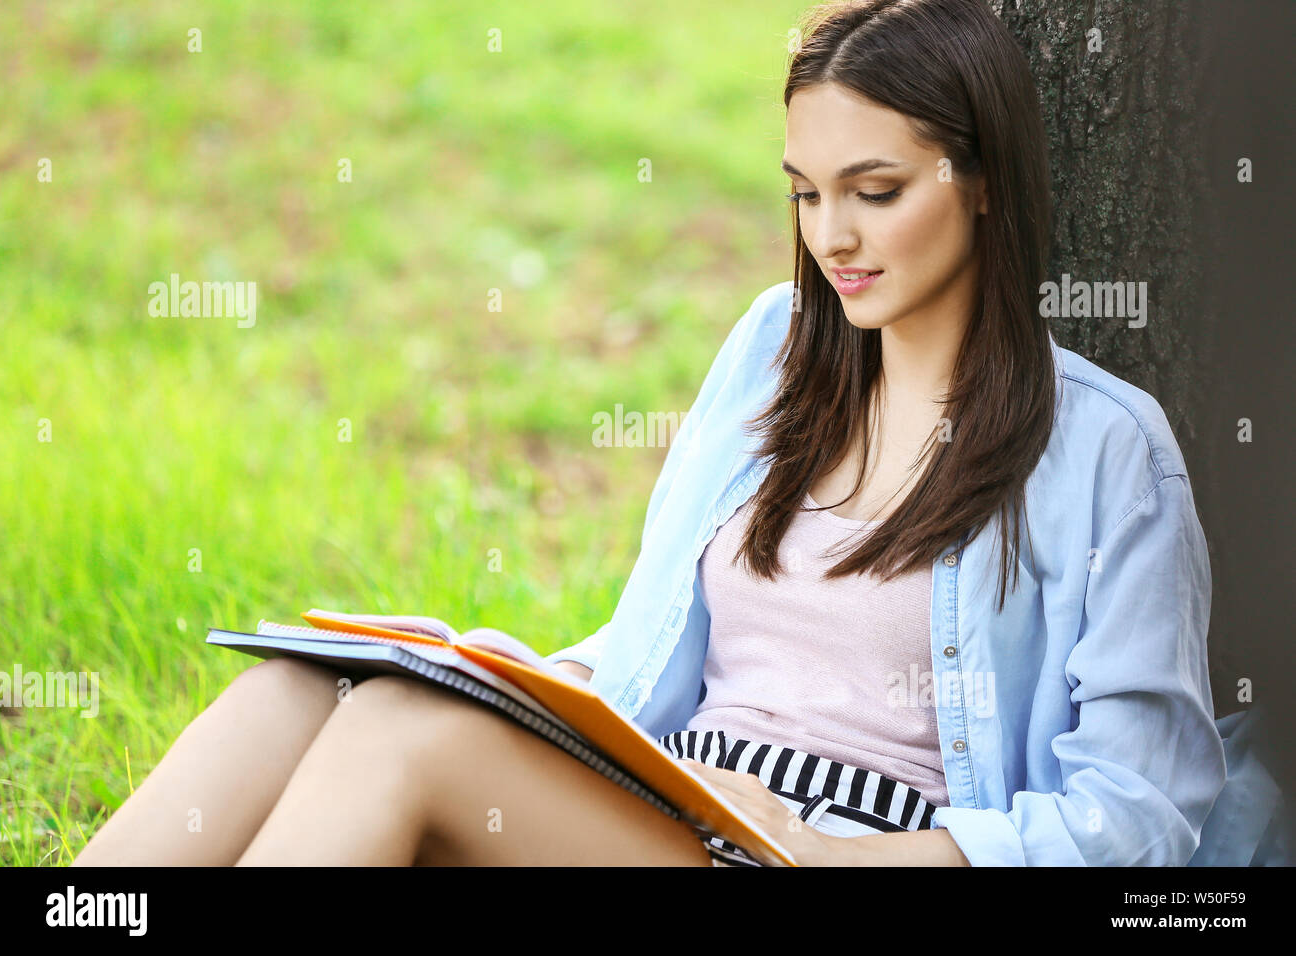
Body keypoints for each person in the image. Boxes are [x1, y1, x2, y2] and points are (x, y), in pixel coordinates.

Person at [74, 0, 1226, 867]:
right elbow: (654, 640)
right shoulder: (777, 345)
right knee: (302, 688)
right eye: (805, 192)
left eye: (876, 190)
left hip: (828, 849)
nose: (834, 235)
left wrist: (845, 855)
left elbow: (1141, 804)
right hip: (673, 800)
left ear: (981, 182)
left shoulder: (1107, 448)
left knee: (401, 738)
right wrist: (516, 678)